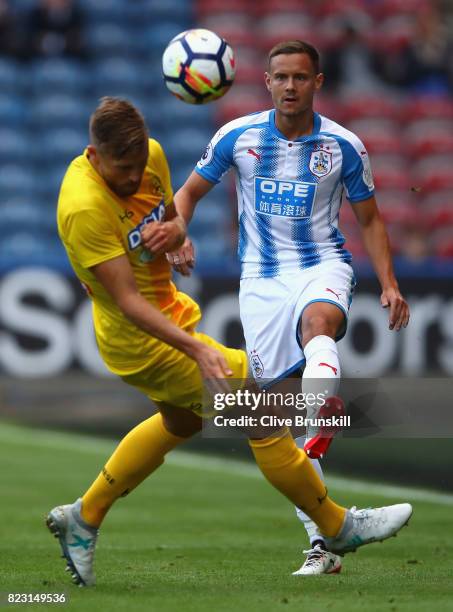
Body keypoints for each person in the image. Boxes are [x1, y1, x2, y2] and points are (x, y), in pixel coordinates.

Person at [48, 96, 412, 587]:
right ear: (94, 157)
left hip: (170, 315)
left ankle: (83, 517)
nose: (133, 178)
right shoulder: (82, 207)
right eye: (121, 170)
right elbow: (128, 300)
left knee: (179, 421)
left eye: (137, 167)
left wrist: (177, 236)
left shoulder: (150, 155)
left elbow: (167, 218)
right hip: (141, 339)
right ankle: (337, 526)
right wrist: (198, 349)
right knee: (261, 416)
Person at [162, 40, 411, 576]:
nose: (290, 86)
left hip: (323, 264)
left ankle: (322, 415)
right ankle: (323, 544)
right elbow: (186, 195)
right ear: (267, 81)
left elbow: (369, 219)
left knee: (318, 325)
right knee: (275, 428)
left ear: (317, 82)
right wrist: (179, 232)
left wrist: (388, 283)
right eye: (281, 77)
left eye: (300, 77)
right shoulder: (238, 136)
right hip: (260, 283)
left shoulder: (344, 146)